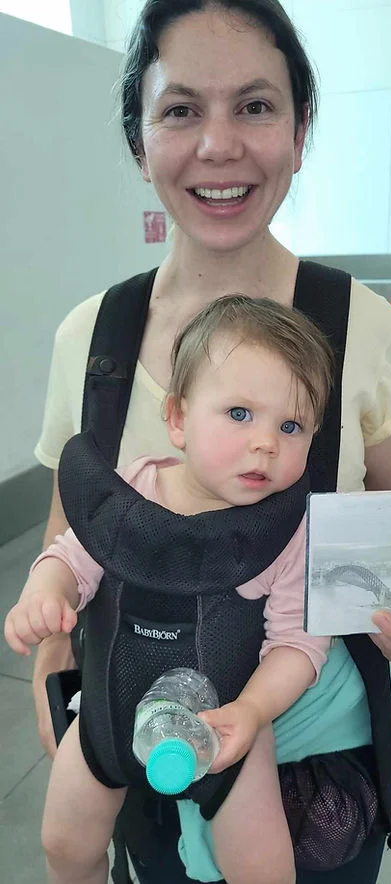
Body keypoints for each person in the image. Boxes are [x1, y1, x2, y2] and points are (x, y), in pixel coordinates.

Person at [30, 2, 391, 882]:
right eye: (181, 110)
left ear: (300, 131)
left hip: (308, 774)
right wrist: (56, 671)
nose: (219, 146)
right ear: (138, 139)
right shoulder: (95, 334)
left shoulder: (363, 328)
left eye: (257, 107)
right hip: (136, 739)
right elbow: (66, 536)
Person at [5, 296, 336, 884]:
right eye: (239, 413)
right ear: (178, 417)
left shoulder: (288, 531)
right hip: (110, 713)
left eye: (291, 426)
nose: (266, 442)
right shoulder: (131, 490)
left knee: (265, 869)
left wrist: (253, 710)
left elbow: (299, 643)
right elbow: (70, 557)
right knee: (63, 843)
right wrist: (46, 591)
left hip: (227, 724)